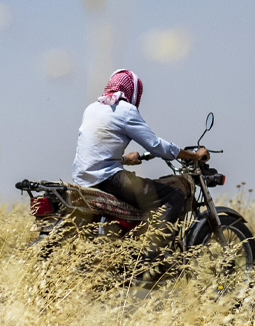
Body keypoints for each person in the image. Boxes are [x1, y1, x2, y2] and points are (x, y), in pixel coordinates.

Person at [72, 69, 208, 255]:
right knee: (173, 196)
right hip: (108, 179)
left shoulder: (92, 108)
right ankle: (152, 257)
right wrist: (193, 156)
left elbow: (97, 148)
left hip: (83, 178)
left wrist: (124, 159)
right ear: (133, 91)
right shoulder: (126, 110)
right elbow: (156, 145)